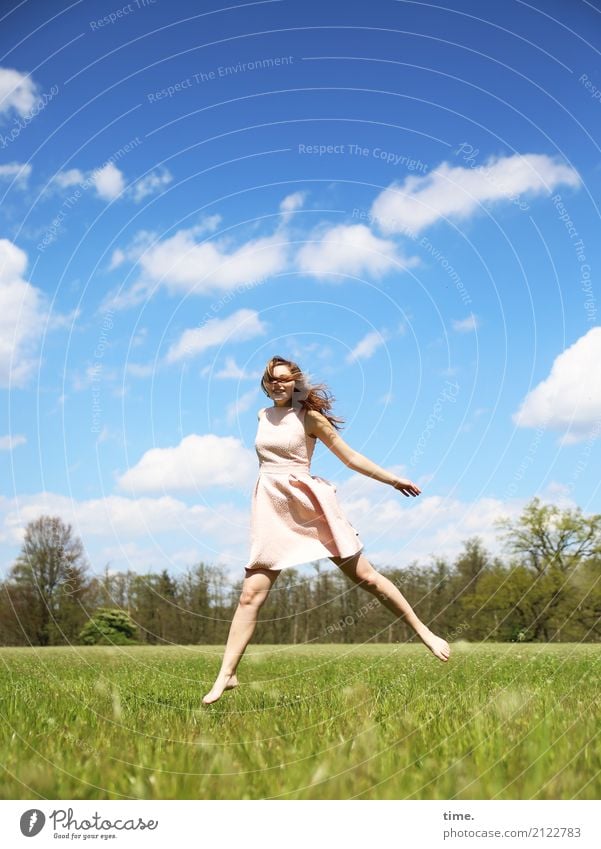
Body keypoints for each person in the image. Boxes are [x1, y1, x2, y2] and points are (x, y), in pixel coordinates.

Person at [202, 356, 450, 704]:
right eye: (272, 380)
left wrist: (393, 479)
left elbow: (349, 457)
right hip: (272, 509)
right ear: (265, 383)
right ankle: (226, 675)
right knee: (250, 595)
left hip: (308, 505)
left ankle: (425, 633)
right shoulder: (261, 416)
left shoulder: (310, 418)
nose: (278, 385)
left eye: (286, 380)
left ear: (296, 384)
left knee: (368, 578)